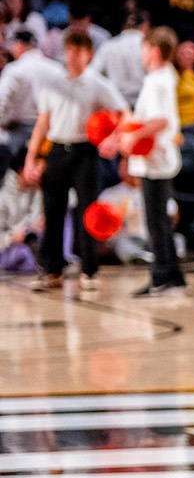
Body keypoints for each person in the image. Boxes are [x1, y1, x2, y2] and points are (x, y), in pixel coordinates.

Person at [20, 28, 127, 293]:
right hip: (57, 148)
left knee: (87, 211)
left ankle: (89, 270)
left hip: (85, 151)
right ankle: (51, 269)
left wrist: (113, 139)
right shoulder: (53, 83)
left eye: (79, 50)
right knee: (52, 210)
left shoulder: (97, 84)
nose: (73, 55)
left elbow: (124, 112)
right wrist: (32, 157)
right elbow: (43, 123)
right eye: (69, 49)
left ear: (89, 54)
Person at [125, 26, 186, 295]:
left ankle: (161, 275)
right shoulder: (162, 78)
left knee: (156, 221)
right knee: (160, 219)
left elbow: (162, 121)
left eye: (143, 47)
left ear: (154, 50)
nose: (141, 53)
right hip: (157, 158)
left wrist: (132, 136)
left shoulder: (158, 81)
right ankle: (173, 273)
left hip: (156, 160)